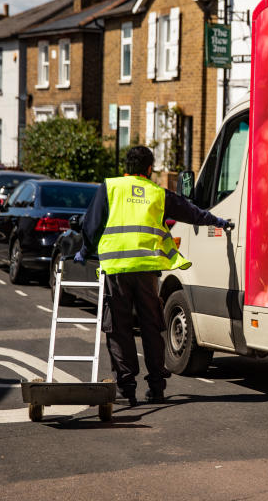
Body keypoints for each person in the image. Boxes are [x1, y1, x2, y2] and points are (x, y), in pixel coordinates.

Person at [75, 146, 229, 405]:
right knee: (151, 327)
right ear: (149, 169)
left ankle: (126, 386)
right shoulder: (158, 192)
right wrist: (215, 220)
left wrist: (83, 250)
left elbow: (91, 225)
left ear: (125, 167)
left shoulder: (110, 187)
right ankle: (156, 387)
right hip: (146, 271)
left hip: (117, 271)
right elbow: (190, 212)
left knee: (118, 329)